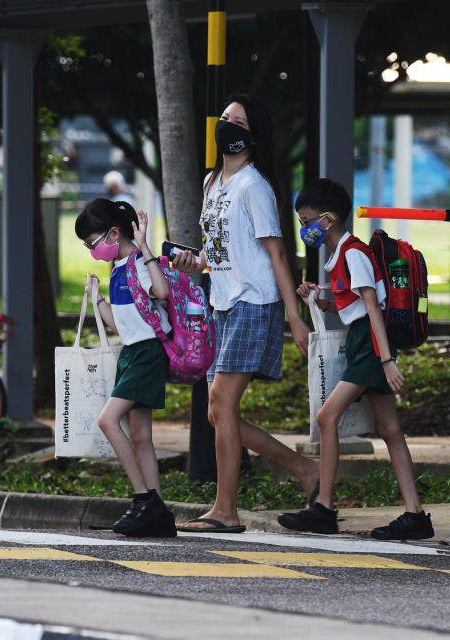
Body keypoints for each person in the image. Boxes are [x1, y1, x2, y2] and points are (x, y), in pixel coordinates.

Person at [171, 93, 318, 533]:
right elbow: (219, 254)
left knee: (220, 404)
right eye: (226, 118)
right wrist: (192, 260)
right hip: (222, 301)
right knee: (219, 414)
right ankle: (304, 469)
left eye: (238, 121)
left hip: (254, 301)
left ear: (252, 136)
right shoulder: (211, 183)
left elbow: (276, 253)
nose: (227, 124)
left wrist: (294, 316)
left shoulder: (254, 185)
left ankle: (225, 510)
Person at [276, 178, 434, 538]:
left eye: (307, 222)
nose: (304, 230)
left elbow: (373, 309)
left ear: (328, 220)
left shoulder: (353, 253)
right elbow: (353, 307)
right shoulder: (343, 255)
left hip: (368, 346)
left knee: (326, 416)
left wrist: (385, 360)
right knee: (390, 430)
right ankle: (415, 515)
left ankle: (324, 507)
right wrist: (319, 302)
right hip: (365, 341)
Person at [75, 198, 174, 537]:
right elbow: (120, 325)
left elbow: (161, 291)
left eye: (93, 244)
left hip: (147, 353)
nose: (93, 251)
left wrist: (145, 247)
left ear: (114, 233)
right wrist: (97, 299)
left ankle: (143, 499)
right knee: (141, 437)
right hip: (133, 351)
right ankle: (157, 512)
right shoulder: (118, 268)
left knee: (107, 420)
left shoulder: (138, 263)